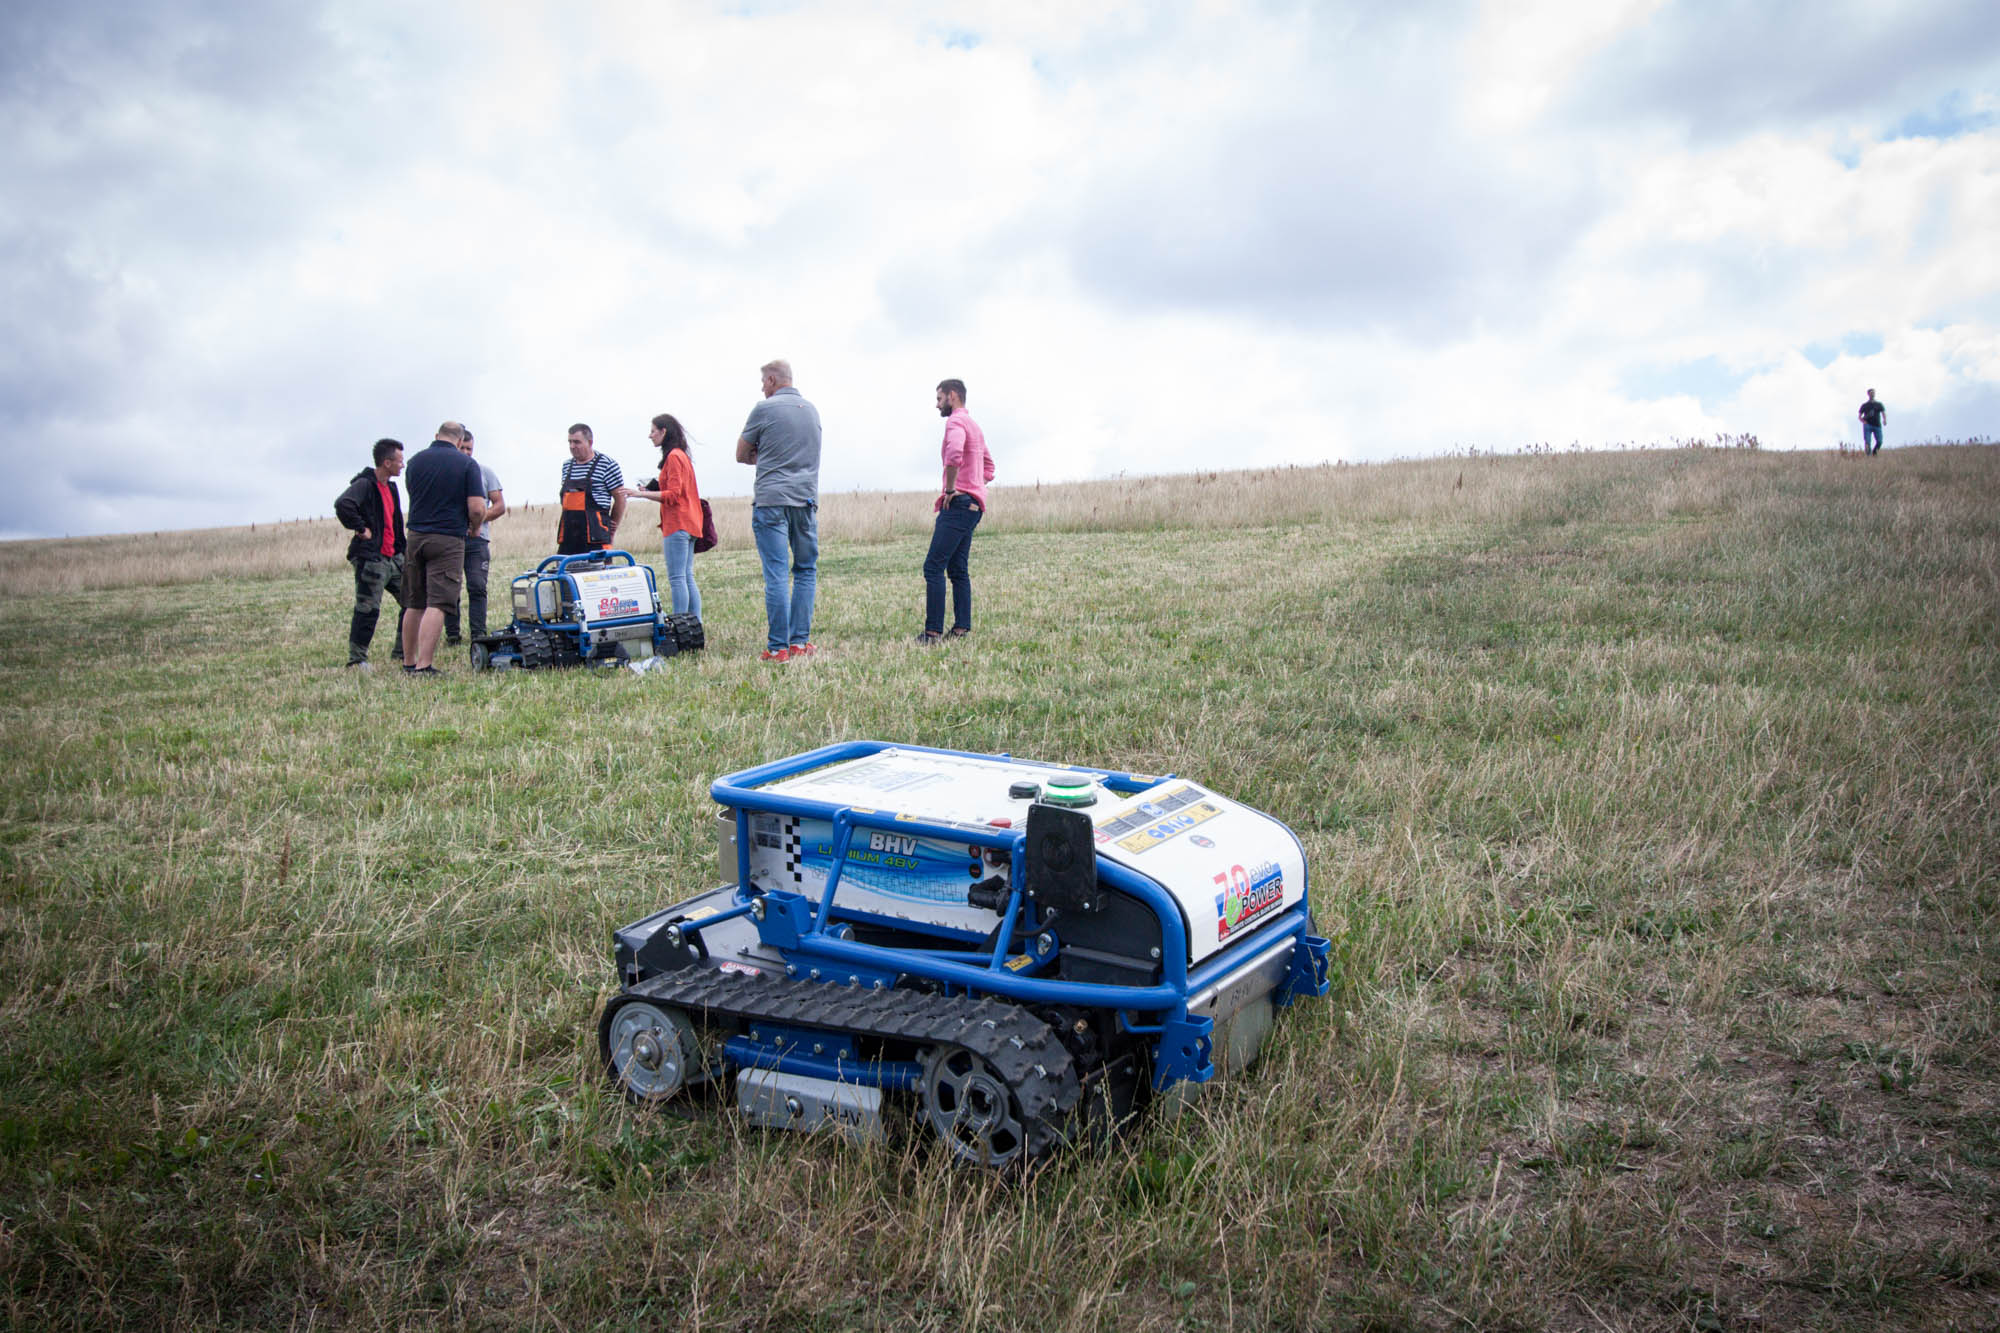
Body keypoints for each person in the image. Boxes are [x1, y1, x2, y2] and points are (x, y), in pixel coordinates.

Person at [736, 360, 821, 661]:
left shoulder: (764, 409)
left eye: (763, 381)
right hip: (805, 500)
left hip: (772, 499)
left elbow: (741, 453)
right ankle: (799, 642)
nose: (762, 387)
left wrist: (763, 455)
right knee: (806, 570)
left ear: (772, 380)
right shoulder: (812, 410)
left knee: (776, 573)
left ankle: (777, 647)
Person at [399, 422, 488, 675]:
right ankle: (423, 664)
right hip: (447, 538)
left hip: (415, 536)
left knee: (414, 602)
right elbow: (477, 508)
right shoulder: (466, 464)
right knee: (438, 602)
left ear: (436, 436)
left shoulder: (415, 462)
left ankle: (408, 661)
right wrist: (475, 527)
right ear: (460, 442)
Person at [915, 378, 994, 646]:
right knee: (958, 568)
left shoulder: (956, 423)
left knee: (933, 567)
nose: (937, 404)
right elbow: (990, 468)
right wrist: (974, 486)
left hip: (958, 505)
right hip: (974, 506)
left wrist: (951, 490)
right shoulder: (975, 426)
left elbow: (954, 456)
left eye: (939, 399)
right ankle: (960, 629)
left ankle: (933, 633)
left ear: (952, 396)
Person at [617, 414, 703, 617]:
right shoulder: (681, 455)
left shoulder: (673, 457)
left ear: (664, 431)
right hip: (691, 522)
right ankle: (694, 624)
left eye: (653, 431)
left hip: (678, 523)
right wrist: (654, 486)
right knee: (686, 576)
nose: (650, 435)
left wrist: (640, 493)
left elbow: (673, 495)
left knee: (677, 578)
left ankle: (680, 623)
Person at [333, 438, 408, 669]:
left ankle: (402, 651)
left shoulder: (391, 487)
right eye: (399, 461)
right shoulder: (365, 484)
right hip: (372, 559)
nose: (402, 466)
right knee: (367, 609)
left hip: (393, 558)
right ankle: (357, 660)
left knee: (413, 601)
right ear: (386, 463)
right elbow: (343, 503)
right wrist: (360, 527)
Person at [442, 427, 506, 644]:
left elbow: (499, 505)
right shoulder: (446, 473)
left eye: (470, 448)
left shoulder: (484, 472)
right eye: (462, 448)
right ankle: (452, 634)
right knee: (451, 587)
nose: (467, 452)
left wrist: (478, 518)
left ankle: (478, 633)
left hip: (478, 541)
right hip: (451, 538)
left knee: (477, 586)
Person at [555, 423, 625, 554]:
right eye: (570, 442)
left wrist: (612, 526)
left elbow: (620, 497)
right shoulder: (567, 466)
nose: (572, 446)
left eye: (577, 442)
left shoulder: (607, 464)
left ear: (590, 442)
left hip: (596, 538)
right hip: (568, 538)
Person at [1859, 389, 1886, 456]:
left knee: (1879, 441)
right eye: (1871, 393)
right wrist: (1863, 421)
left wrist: (1884, 420)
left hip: (1877, 425)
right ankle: (1868, 456)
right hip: (1867, 425)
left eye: (1873, 393)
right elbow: (1859, 416)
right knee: (1867, 442)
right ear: (1868, 394)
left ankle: (1874, 453)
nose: (1872, 394)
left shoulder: (1879, 404)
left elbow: (1883, 413)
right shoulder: (1864, 405)